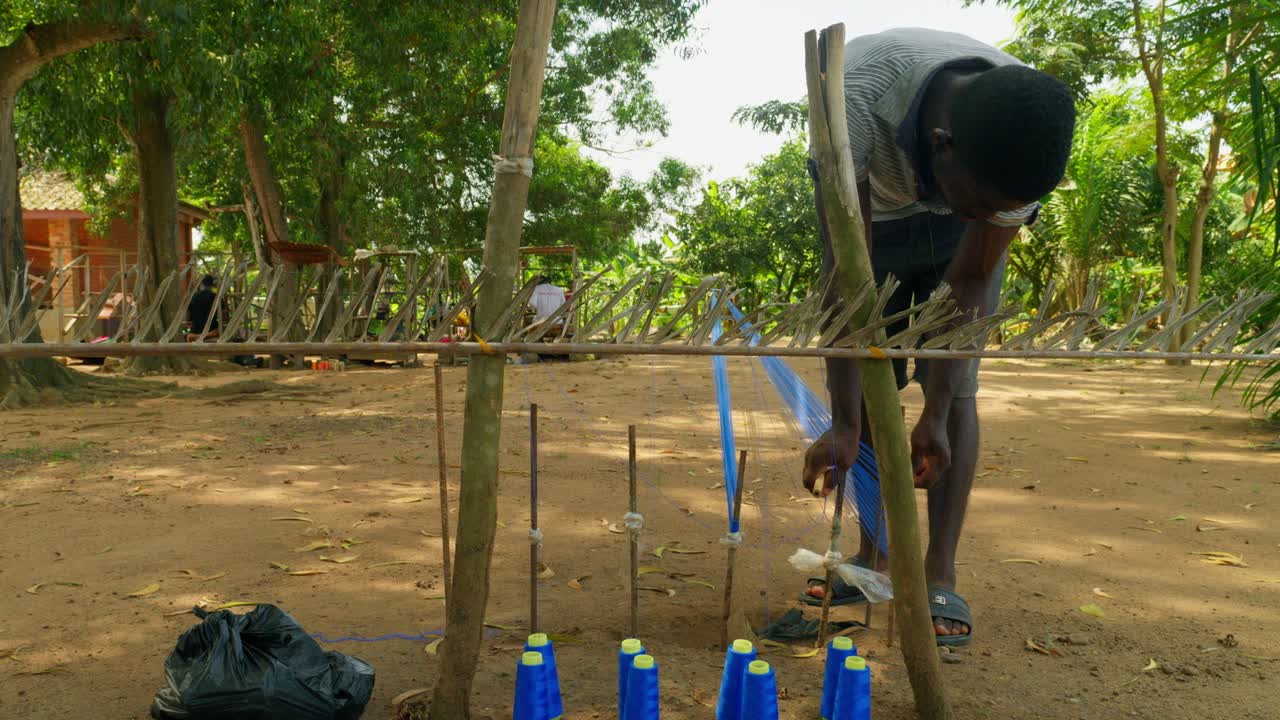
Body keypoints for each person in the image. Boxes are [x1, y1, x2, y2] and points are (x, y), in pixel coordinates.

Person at [800, 28, 1075, 647]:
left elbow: (974, 274)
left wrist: (938, 413)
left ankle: (938, 571)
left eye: (998, 210)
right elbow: (849, 276)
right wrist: (844, 421)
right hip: (872, 212)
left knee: (959, 395)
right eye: (977, 204)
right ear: (939, 144)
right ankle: (874, 558)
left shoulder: (1022, 142)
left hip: (954, 229)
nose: (981, 217)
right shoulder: (854, 100)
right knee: (872, 383)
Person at [186, 275, 220, 342]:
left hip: (195, 330)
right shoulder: (216, 297)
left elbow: (188, 317)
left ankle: (199, 335)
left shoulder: (193, 297)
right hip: (212, 329)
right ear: (212, 284)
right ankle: (205, 335)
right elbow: (224, 316)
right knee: (219, 329)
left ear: (201, 284)